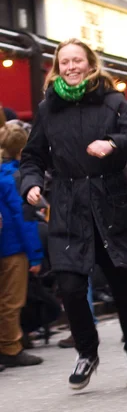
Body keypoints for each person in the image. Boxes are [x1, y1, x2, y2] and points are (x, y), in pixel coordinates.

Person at [20, 38, 127, 389]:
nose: (71, 67)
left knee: (123, 287)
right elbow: (32, 157)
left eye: (77, 60)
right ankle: (86, 352)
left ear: (90, 63)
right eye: (64, 62)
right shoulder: (48, 109)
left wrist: (113, 142)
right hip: (68, 205)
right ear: (57, 68)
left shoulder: (113, 101)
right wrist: (31, 184)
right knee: (71, 286)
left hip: (110, 202)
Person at [0, 123, 44, 368]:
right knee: (12, 300)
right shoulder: (15, 178)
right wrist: (35, 255)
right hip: (13, 247)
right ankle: (10, 346)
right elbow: (23, 218)